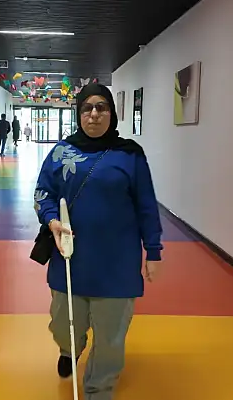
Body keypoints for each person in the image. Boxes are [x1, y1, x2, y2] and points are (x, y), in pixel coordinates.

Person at [34, 83, 163, 400]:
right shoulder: (61, 152)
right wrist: (51, 220)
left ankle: (99, 389)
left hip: (117, 262)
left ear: (112, 113)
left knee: (110, 337)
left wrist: (153, 250)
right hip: (70, 258)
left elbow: (146, 204)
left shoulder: (130, 155)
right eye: (87, 108)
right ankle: (69, 348)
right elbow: (43, 194)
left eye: (101, 107)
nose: (94, 114)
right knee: (63, 324)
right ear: (79, 114)